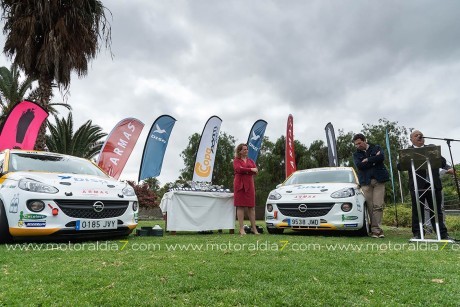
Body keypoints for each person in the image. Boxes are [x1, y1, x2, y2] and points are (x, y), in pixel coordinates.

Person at [400, 130, 454, 240]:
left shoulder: (431, 148)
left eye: (421, 135)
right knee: (417, 210)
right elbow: (400, 166)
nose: (419, 136)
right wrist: (402, 161)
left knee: (437, 210)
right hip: (417, 186)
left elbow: (442, 161)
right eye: (416, 135)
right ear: (411, 139)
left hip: (434, 184)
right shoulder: (408, 152)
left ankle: (442, 234)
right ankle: (418, 234)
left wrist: (448, 168)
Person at [352, 133, 389, 238]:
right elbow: (359, 166)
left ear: (364, 140)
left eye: (359, 143)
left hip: (379, 180)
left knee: (378, 205)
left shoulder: (376, 147)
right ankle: (375, 230)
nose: (358, 146)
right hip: (366, 182)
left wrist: (368, 160)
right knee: (370, 206)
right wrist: (374, 159)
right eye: (356, 144)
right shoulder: (356, 155)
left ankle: (376, 230)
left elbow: (381, 157)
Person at [233, 143, 259, 235]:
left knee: (251, 207)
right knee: (240, 206)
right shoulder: (236, 160)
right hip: (239, 185)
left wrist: (250, 170)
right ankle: (241, 229)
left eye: (247, 149)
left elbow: (256, 171)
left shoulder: (251, 161)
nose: (246, 151)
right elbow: (238, 169)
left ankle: (254, 228)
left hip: (250, 185)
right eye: (244, 149)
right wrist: (250, 170)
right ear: (239, 151)